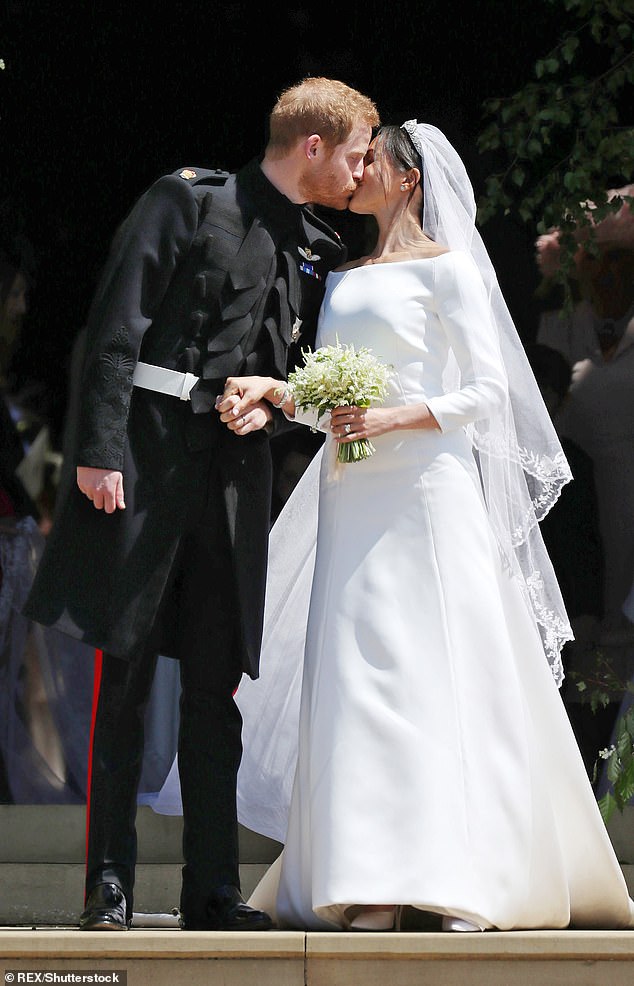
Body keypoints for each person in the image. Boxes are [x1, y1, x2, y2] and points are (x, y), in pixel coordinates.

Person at [159, 122, 634, 931]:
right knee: (361, 677)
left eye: (373, 158)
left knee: (436, 672)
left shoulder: (448, 272)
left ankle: (462, 874)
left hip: (426, 493)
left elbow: (487, 394)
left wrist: (394, 417)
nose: (359, 169)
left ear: (409, 179)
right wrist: (281, 394)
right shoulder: (344, 276)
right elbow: (331, 402)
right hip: (353, 493)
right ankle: (368, 875)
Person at [23, 77, 380, 932]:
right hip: (145, 470)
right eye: (358, 152)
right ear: (314, 148)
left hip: (232, 487)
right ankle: (107, 882)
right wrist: (100, 453)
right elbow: (116, 326)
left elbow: (295, 363)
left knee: (217, 693)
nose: (362, 171)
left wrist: (271, 400)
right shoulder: (187, 201)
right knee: (129, 681)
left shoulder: (315, 243)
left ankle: (211, 890)